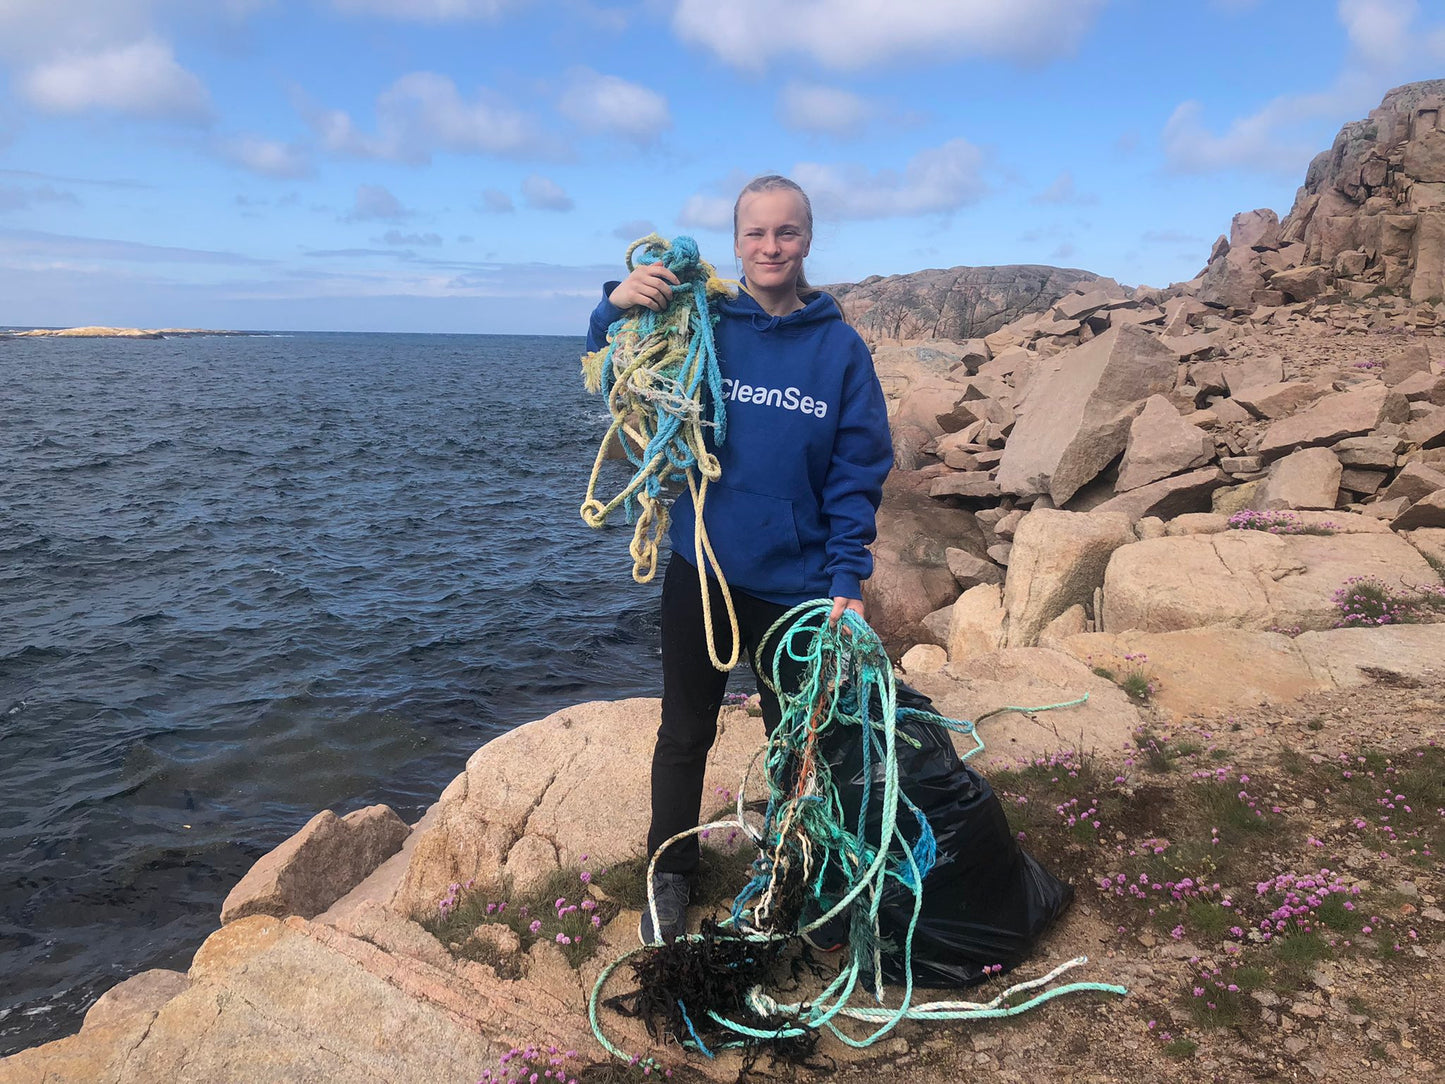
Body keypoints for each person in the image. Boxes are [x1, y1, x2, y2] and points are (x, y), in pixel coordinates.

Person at [584, 175, 893, 944]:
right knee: (684, 732)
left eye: (785, 233)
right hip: (702, 573)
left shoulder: (839, 349)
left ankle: (795, 867)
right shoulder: (700, 325)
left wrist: (846, 577)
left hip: (796, 585)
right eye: (755, 233)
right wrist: (609, 306)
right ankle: (670, 873)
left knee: (796, 742)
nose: (770, 247)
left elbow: (858, 469)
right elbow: (616, 366)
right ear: (735, 242)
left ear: (807, 240)